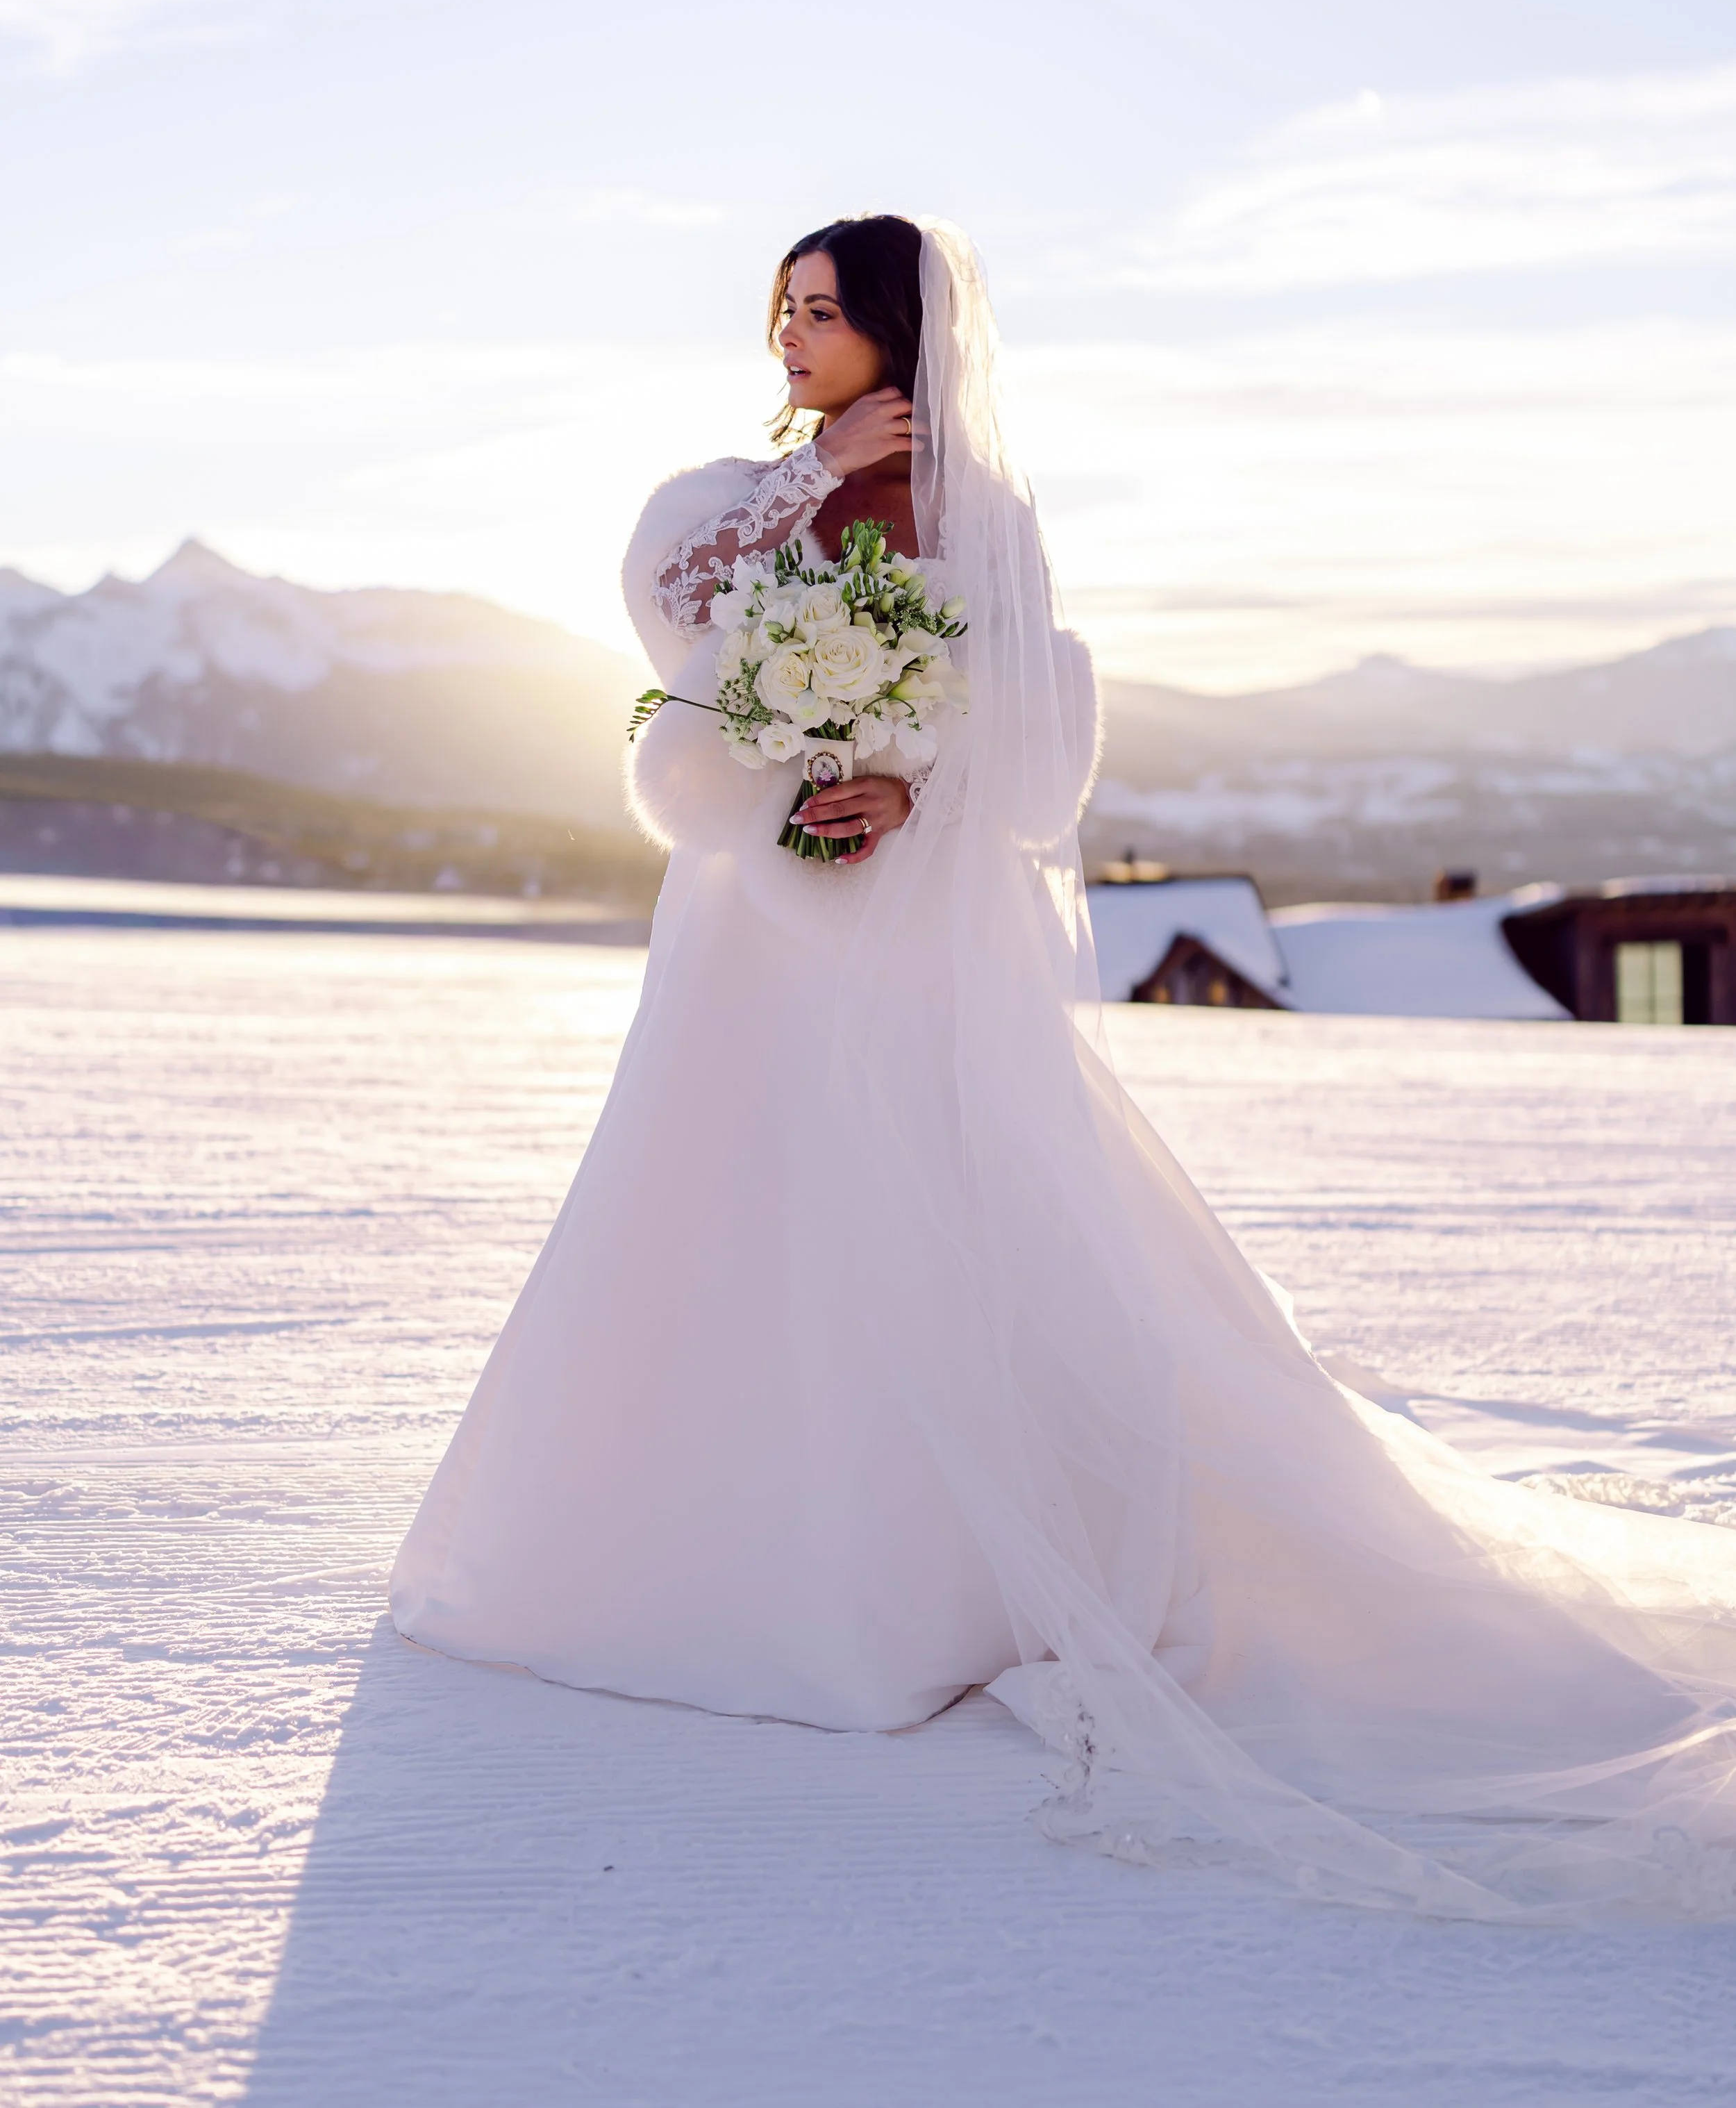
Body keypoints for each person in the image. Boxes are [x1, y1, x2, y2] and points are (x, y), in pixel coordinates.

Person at [392, 215, 1736, 1919]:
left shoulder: (987, 523)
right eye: (781, 313)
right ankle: (678, 1562)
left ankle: (931, 1582)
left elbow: (1023, 771)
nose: (793, 342)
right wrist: (804, 500)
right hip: (741, 943)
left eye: (824, 314)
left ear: (901, 329)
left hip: (905, 942)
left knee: (920, 1224)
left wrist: (907, 793)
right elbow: (680, 662)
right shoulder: (713, 504)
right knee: (717, 1210)